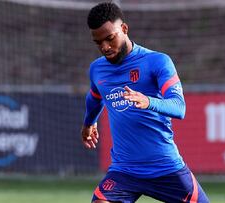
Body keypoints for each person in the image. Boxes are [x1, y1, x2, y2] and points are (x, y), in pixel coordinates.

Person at [81, 2, 209, 203]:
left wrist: (148, 101)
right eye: (98, 42)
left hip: (166, 168)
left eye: (110, 38)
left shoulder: (157, 62)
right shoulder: (97, 69)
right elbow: (94, 98)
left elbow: (179, 107)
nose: (104, 47)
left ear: (124, 29)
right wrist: (89, 123)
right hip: (124, 171)